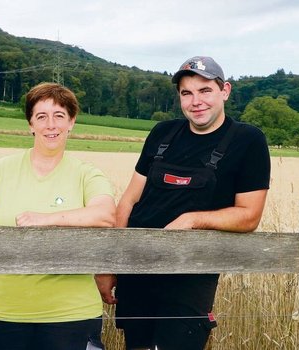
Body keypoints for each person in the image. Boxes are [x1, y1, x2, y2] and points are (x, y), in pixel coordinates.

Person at [106, 56, 271, 350]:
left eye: (205, 90)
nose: (196, 101)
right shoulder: (162, 134)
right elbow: (129, 200)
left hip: (190, 279)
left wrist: (193, 220)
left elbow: (249, 216)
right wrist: (110, 266)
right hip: (138, 271)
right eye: (187, 93)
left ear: (225, 91)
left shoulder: (247, 141)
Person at [0, 82, 117, 350]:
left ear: (72, 123)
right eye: (41, 117)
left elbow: (105, 215)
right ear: (30, 124)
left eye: (59, 116)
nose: (51, 125)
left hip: (72, 315)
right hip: (3, 313)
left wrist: (45, 219)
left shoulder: (86, 174)